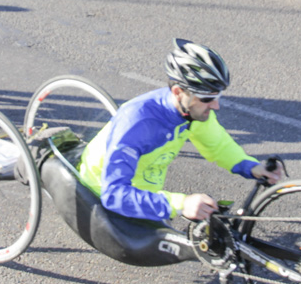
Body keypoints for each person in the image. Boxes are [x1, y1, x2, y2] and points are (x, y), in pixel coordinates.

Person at [78, 39, 284, 222]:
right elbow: (114, 194)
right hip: (105, 193)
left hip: (148, 193)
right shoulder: (137, 122)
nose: (215, 106)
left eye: (217, 97)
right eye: (206, 99)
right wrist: (180, 204)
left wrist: (252, 167)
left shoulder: (192, 112)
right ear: (178, 92)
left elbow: (219, 145)